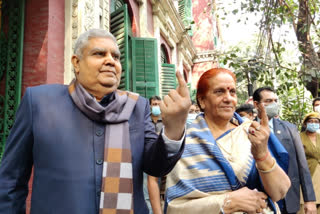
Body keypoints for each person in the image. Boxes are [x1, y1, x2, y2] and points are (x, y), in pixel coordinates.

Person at [0, 29, 191, 214]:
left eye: (115, 57)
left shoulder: (137, 107)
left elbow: (155, 167)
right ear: (76, 62)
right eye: (99, 54)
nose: (110, 61)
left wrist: (174, 128)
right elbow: (11, 180)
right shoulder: (39, 102)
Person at [165, 68, 291, 214]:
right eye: (219, 92)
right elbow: (176, 207)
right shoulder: (187, 142)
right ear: (202, 100)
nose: (228, 98)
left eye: (232, 92)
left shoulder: (253, 132)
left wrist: (262, 153)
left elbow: (279, 192)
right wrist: (228, 202)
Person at [253, 86, 317, 214]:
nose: (274, 104)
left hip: (288, 197)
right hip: (260, 199)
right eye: (268, 101)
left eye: (275, 101)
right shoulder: (247, 128)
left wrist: (309, 200)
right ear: (256, 104)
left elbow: (302, 165)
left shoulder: (290, 129)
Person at [299, 112, 320, 213]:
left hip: (319, 175)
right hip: (307, 174)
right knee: (305, 205)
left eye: (316, 122)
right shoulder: (299, 137)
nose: (313, 123)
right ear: (305, 124)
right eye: (310, 121)